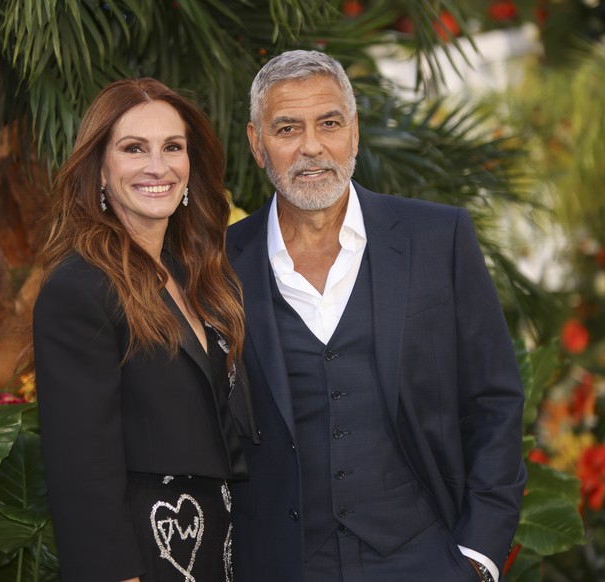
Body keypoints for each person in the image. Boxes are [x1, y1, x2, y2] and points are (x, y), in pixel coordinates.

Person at [227, 50, 527, 582]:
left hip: (425, 558)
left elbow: (494, 399)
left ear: (355, 131)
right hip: (283, 565)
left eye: (330, 123)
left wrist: (479, 555)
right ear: (257, 144)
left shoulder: (439, 239)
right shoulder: (220, 263)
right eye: (288, 128)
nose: (312, 146)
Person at [33, 78, 259, 581]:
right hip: (145, 552)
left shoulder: (196, 276)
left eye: (172, 147)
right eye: (134, 149)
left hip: (216, 548)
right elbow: (81, 471)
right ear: (99, 171)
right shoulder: (80, 288)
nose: (158, 166)